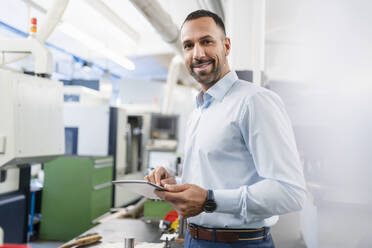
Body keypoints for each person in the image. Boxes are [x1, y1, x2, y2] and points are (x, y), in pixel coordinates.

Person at [145, 9, 307, 248]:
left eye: (206, 41)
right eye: (188, 46)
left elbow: (290, 192)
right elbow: (214, 179)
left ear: (226, 46)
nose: (198, 54)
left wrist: (210, 200)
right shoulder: (199, 110)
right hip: (193, 238)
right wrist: (176, 182)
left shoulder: (254, 102)